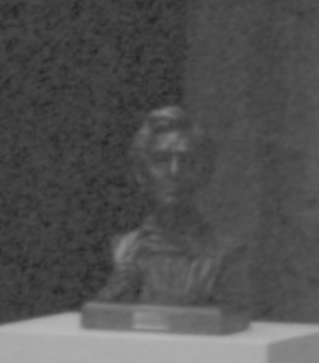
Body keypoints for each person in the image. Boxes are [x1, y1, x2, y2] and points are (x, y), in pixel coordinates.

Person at [93, 104, 242, 309]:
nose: (174, 171)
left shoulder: (225, 252)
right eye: (161, 160)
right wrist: (115, 292)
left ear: (204, 171)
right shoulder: (125, 249)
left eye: (187, 160)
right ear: (141, 172)